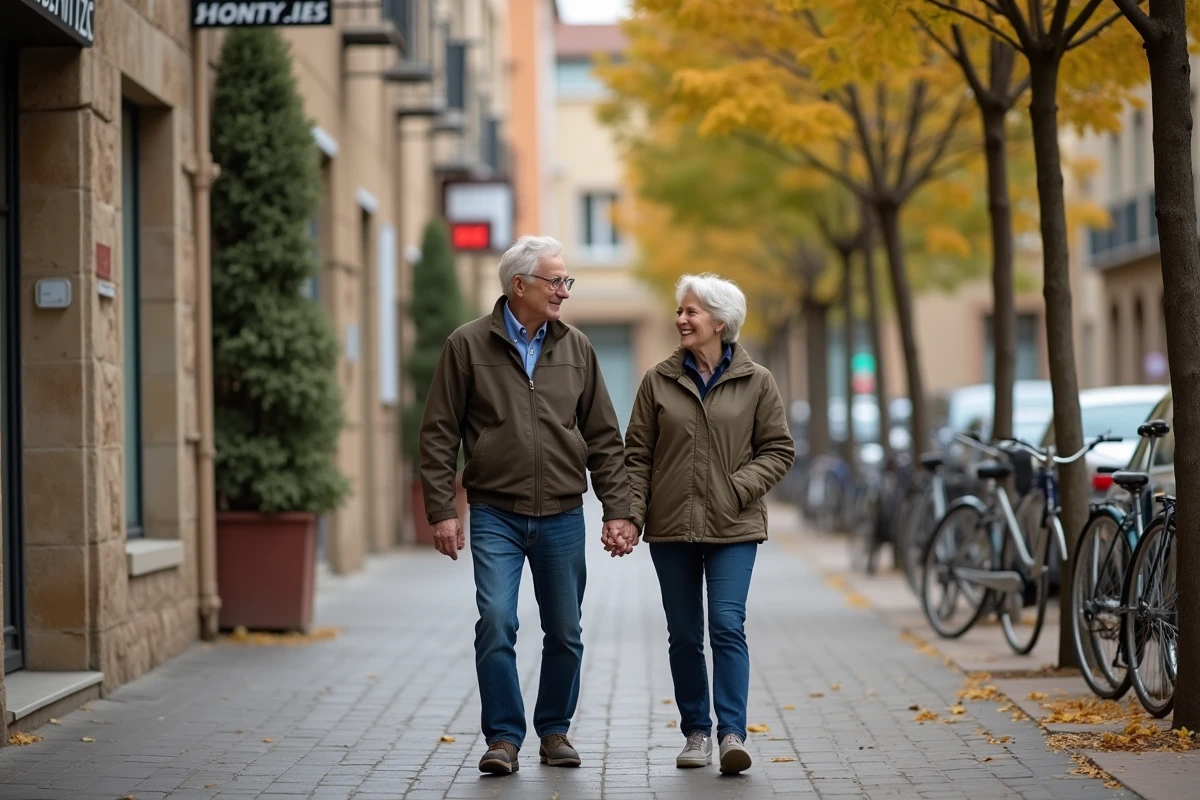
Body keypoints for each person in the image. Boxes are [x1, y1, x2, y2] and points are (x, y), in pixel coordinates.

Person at [419, 234, 639, 776]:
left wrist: (619, 510)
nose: (564, 290)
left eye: (566, 280)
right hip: (495, 510)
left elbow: (605, 437)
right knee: (496, 619)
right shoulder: (466, 346)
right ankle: (503, 738)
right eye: (555, 280)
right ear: (520, 285)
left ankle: (555, 730)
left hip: (563, 511)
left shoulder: (578, 348)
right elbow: (438, 434)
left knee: (565, 629)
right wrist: (443, 509)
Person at [617, 273, 795, 775]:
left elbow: (779, 449)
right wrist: (630, 515)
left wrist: (737, 488)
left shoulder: (757, 380)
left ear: (720, 321)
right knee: (684, 634)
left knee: (726, 625)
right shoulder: (658, 380)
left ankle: (732, 733)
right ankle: (696, 732)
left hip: (734, 526)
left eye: (691, 312)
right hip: (671, 526)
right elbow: (637, 457)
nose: (681, 320)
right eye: (680, 311)